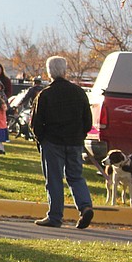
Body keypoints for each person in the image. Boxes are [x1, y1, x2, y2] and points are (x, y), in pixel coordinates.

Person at [31, 56, 94, 229]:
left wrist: (41, 139)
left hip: (52, 142)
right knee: (75, 176)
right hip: (74, 141)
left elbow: (35, 123)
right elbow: (88, 121)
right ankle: (85, 206)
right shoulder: (79, 92)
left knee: (54, 179)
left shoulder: (45, 94)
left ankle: (55, 216)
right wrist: (80, 135)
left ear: (49, 72)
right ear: (65, 70)